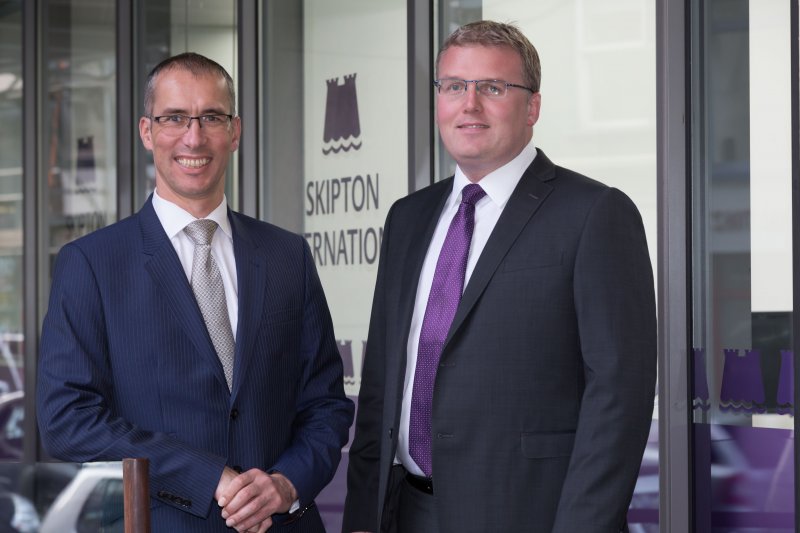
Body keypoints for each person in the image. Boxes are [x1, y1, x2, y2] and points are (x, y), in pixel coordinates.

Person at [343, 20, 656, 533]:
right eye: (454, 87)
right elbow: (381, 381)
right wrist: (362, 517)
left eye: (492, 87)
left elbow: (619, 394)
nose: (470, 104)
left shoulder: (594, 213)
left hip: (531, 514)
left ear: (531, 106)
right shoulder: (408, 217)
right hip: (406, 511)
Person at [37, 52, 354, 533]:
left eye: (211, 117)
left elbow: (326, 403)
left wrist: (287, 483)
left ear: (235, 131)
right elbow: (67, 419)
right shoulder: (92, 264)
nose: (194, 136)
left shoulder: (288, 256)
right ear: (147, 132)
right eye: (174, 118)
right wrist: (207, 478)